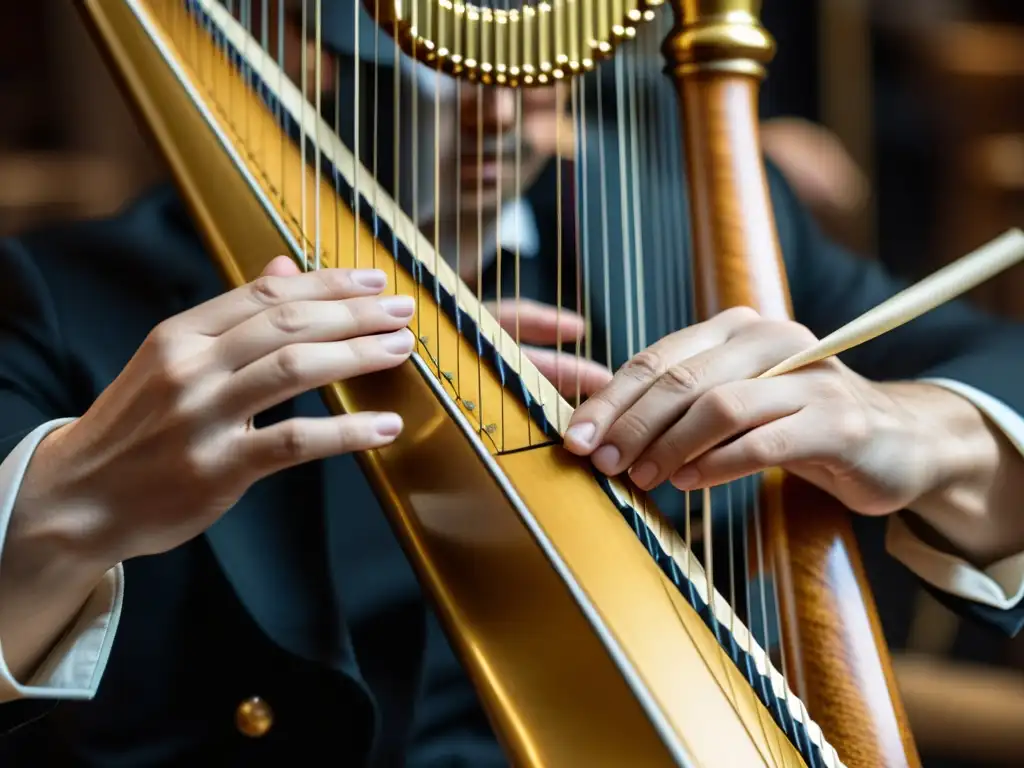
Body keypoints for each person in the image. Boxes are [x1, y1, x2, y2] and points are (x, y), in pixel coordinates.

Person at [3, 5, 1024, 766]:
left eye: (524, 66)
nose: (499, 114)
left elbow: (993, 369)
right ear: (299, 40)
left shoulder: (689, 225)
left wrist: (924, 427)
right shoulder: (59, 299)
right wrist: (66, 510)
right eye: (434, 56)